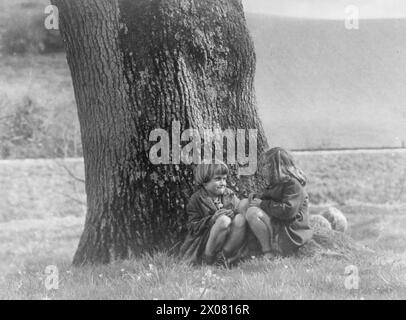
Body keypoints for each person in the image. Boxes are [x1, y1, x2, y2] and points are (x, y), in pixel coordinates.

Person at [245, 147, 313, 258]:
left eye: (265, 165)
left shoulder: (293, 185)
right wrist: (257, 198)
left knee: (252, 213)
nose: (262, 169)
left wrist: (261, 204)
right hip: (280, 224)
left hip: (291, 231)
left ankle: (268, 252)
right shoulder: (278, 183)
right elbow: (271, 197)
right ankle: (248, 247)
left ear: (276, 167)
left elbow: (288, 211)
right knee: (245, 204)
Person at [178, 161, 248, 266]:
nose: (223, 183)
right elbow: (193, 226)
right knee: (223, 220)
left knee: (240, 219)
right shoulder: (197, 199)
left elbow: (238, 209)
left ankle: (224, 257)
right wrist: (212, 219)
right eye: (218, 179)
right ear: (205, 182)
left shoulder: (229, 194)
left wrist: (234, 212)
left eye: (224, 179)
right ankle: (208, 258)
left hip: (228, 237)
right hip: (206, 239)